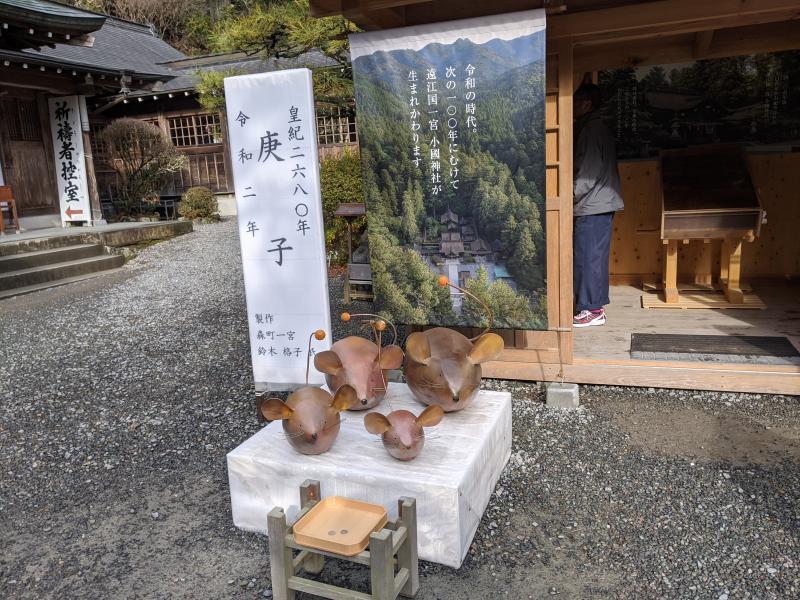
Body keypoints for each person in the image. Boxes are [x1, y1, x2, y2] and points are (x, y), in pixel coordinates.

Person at [572, 83, 624, 328]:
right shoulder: (597, 126)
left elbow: (587, 174)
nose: (571, 106)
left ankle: (592, 309)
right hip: (600, 202)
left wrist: (567, 198)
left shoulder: (591, 129)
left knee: (589, 257)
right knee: (593, 257)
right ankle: (592, 306)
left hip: (593, 203)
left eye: (575, 101)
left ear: (587, 104)